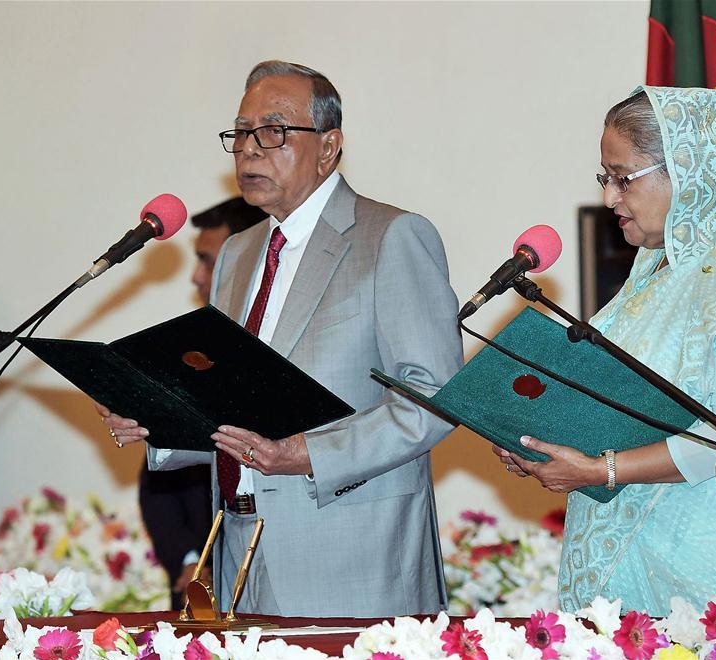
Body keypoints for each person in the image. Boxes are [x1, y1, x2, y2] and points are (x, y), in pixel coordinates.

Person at [100, 60, 463, 617]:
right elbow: (228, 407)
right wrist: (157, 420)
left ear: (328, 146)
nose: (249, 148)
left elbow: (431, 401)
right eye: (241, 133)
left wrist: (306, 453)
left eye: (273, 131)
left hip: (352, 554)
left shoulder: (390, 237)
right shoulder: (238, 254)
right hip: (237, 547)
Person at [494, 86, 716, 615]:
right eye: (604, 178)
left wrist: (599, 470)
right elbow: (628, 404)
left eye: (622, 177)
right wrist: (547, 441)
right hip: (652, 557)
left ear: (684, 167)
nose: (610, 198)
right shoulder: (657, 269)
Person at [138, 197, 267, 608]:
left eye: (209, 262)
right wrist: (194, 561)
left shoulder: (290, 353)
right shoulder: (192, 354)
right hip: (199, 589)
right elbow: (158, 479)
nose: (195, 276)